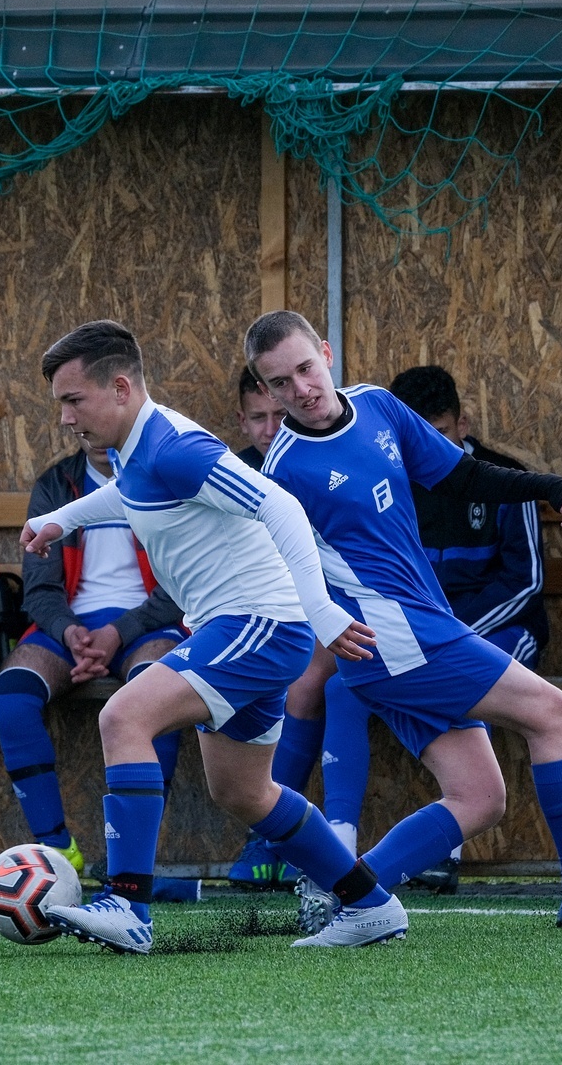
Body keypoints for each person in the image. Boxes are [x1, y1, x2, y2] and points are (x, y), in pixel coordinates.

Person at [247, 309, 562, 931]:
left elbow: (461, 475)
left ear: (327, 354)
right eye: (280, 383)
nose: (301, 390)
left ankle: (348, 894)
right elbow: (270, 568)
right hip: (393, 640)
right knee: (551, 713)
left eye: (306, 369)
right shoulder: (283, 470)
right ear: (266, 391)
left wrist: (552, 487)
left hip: (417, 630)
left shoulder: (379, 406)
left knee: (480, 798)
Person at [21, 320, 406, 954]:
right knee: (243, 791)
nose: (65, 418)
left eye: (72, 400)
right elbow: (135, 495)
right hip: (247, 628)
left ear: (120, 388)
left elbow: (280, 505)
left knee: (123, 717)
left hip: (258, 623)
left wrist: (322, 611)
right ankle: (371, 904)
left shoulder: (174, 447)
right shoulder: (139, 448)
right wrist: (64, 517)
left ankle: (128, 906)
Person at [318, 364, 548, 893]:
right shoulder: (384, 479)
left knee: (472, 681)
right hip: (411, 633)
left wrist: (453, 636)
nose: (427, 446)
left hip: (501, 628)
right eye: (414, 435)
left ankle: (448, 852)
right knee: (341, 687)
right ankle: (337, 846)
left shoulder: (498, 477)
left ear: (462, 424)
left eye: (440, 432)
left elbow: (526, 582)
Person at [0, 435, 199, 902]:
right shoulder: (56, 484)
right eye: (75, 414)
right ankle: (56, 849)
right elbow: (39, 589)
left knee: (156, 694)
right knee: (12, 696)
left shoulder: (165, 476)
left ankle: (134, 864)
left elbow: (184, 580)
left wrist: (118, 632)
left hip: (149, 624)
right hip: (70, 630)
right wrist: (70, 633)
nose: (88, 428)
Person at [226, 368, 336, 890]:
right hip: (252, 614)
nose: (271, 429)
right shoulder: (226, 473)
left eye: (279, 414)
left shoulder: (318, 458)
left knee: (306, 681)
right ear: (242, 421)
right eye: (259, 418)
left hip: (329, 611)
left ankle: (272, 839)